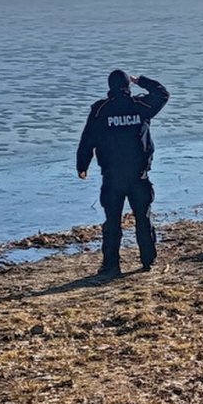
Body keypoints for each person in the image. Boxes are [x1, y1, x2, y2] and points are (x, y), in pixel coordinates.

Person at [76, 70, 170, 276]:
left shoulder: (101, 110)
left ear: (109, 87)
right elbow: (162, 94)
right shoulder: (141, 106)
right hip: (138, 175)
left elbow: (88, 139)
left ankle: (111, 265)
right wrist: (142, 81)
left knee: (112, 222)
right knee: (143, 218)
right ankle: (148, 261)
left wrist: (82, 166)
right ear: (128, 86)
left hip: (113, 177)